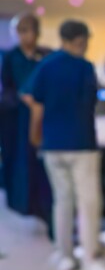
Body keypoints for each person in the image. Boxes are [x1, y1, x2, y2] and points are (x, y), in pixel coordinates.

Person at [23, 20, 105, 270]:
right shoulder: (84, 68)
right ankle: (90, 257)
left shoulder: (46, 65)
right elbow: (90, 103)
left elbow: (33, 100)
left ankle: (65, 255)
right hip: (81, 143)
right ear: (80, 39)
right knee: (88, 203)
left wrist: (35, 135)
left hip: (52, 144)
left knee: (62, 201)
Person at [1, 14, 53, 224]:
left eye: (28, 30)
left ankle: (44, 206)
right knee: (22, 159)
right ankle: (23, 203)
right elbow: (6, 90)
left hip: (43, 116)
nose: (25, 36)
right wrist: (23, 99)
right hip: (19, 119)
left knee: (42, 161)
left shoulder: (45, 55)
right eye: (21, 31)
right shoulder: (11, 56)